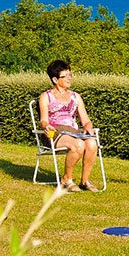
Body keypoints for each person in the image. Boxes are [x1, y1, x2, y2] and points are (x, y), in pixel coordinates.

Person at [39, 59, 101, 192]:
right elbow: (43, 120)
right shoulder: (46, 96)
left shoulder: (75, 97)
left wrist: (89, 127)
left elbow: (86, 120)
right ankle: (66, 179)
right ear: (55, 80)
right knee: (78, 144)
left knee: (91, 143)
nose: (69, 78)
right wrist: (46, 126)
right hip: (54, 133)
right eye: (65, 76)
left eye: (70, 75)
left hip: (73, 132)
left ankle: (85, 181)